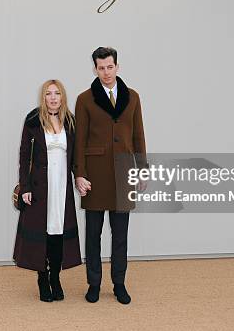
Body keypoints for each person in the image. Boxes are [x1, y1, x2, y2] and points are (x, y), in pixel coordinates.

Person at [74, 47, 147, 305]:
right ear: (94, 69)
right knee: (93, 235)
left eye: (110, 67)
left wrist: (142, 170)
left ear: (117, 67)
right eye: (101, 68)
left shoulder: (133, 97)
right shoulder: (84, 99)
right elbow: (79, 141)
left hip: (124, 173)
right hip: (94, 176)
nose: (105, 72)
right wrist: (79, 175)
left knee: (121, 235)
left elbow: (138, 136)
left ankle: (119, 284)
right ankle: (94, 283)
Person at [13, 79, 82, 302]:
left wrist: (79, 177)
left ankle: (55, 277)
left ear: (62, 97)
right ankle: (43, 279)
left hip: (61, 185)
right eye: (48, 94)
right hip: (39, 187)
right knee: (42, 233)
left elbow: (76, 156)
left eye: (57, 93)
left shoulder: (70, 121)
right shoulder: (33, 120)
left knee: (57, 232)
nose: (53, 98)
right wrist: (24, 186)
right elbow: (24, 156)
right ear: (43, 98)